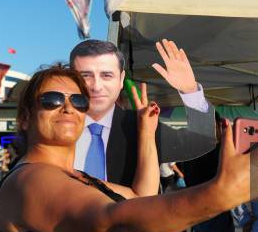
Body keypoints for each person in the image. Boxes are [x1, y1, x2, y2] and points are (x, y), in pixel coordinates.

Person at [0, 64, 256, 232]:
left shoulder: (79, 177)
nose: (68, 108)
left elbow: (141, 197)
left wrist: (145, 133)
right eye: (52, 100)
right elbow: (111, 224)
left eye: (78, 101)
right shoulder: (28, 180)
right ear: (25, 118)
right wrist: (220, 194)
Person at [70, 39, 216, 185]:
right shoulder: (53, 126)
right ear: (71, 79)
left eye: (106, 75)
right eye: (86, 76)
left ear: (121, 80)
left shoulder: (142, 127)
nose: (96, 86)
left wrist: (190, 90)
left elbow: (201, 142)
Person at [181, 113, 235, 232]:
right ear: (217, 125)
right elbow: (230, 181)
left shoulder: (190, 151)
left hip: (196, 215)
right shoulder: (218, 150)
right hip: (216, 213)